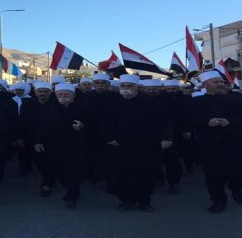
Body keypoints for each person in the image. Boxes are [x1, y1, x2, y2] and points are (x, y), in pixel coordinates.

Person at [103, 74, 172, 212]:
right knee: (122, 174)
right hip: (121, 145)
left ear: (137, 87)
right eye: (123, 86)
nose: (126, 89)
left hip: (147, 145)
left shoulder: (152, 103)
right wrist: (109, 138)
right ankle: (126, 200)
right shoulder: (112, 103)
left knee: (146, 174)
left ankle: (144, 201)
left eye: (130, 86)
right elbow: (105, 123)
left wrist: (166, 138)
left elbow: (164, 121)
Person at [191, 70, 242, 213]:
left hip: (233, 142)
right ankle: (218, 200)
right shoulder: (196, 102)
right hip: (209, 144)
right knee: (213, 174)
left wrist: (229, 122)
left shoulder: (235, 100)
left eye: (221, 82)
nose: (220, 84)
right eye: (215, 82)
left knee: (239, 171)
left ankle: (236, 187)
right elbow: (190, 120)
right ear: (205, 85)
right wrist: (207, 122)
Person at [34, 83, 90, 208]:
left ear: (73, 95)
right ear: (56, 95)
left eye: (66, 94)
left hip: (75, 147)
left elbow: (92, 126)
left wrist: (83, 126)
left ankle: (72, 196)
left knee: (74, 172)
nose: (63, 96)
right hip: (53, 146)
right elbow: (41, 127)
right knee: (55, 169)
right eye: (60, 94)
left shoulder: (82, 108)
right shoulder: (50, 109)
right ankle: (51, 185)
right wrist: (38, 141)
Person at [18, 82, 57, 192]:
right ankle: (49, 179)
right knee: (39, 162)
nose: (43, 94)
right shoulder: (27, 105)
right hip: (32, 138)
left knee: (49, 161)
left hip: (51, 139)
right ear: (35, 92)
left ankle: (47, 183)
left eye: (46, 92)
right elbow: (22, 122)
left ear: (50, 93)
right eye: (40, 91)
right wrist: (20, 137)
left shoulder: (56, 105)